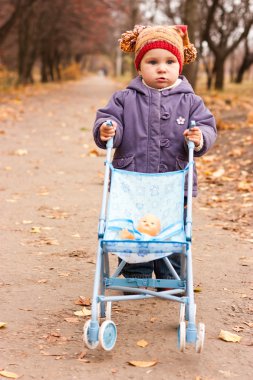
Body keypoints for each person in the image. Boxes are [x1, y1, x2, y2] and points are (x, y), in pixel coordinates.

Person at [93, 24, 217, 280]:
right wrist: (108, 129)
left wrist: (199, 137)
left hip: (173, 180)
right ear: (139, 67)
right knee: (133, 227)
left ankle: (169, 277)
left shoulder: (191, 101)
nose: (162, 68)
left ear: (179, 66)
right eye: (152, 62)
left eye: (170, 61)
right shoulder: (124, 99)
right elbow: (109, 119)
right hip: (132, 180)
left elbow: (207, 126)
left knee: (171, 229)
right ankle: (134, 273)